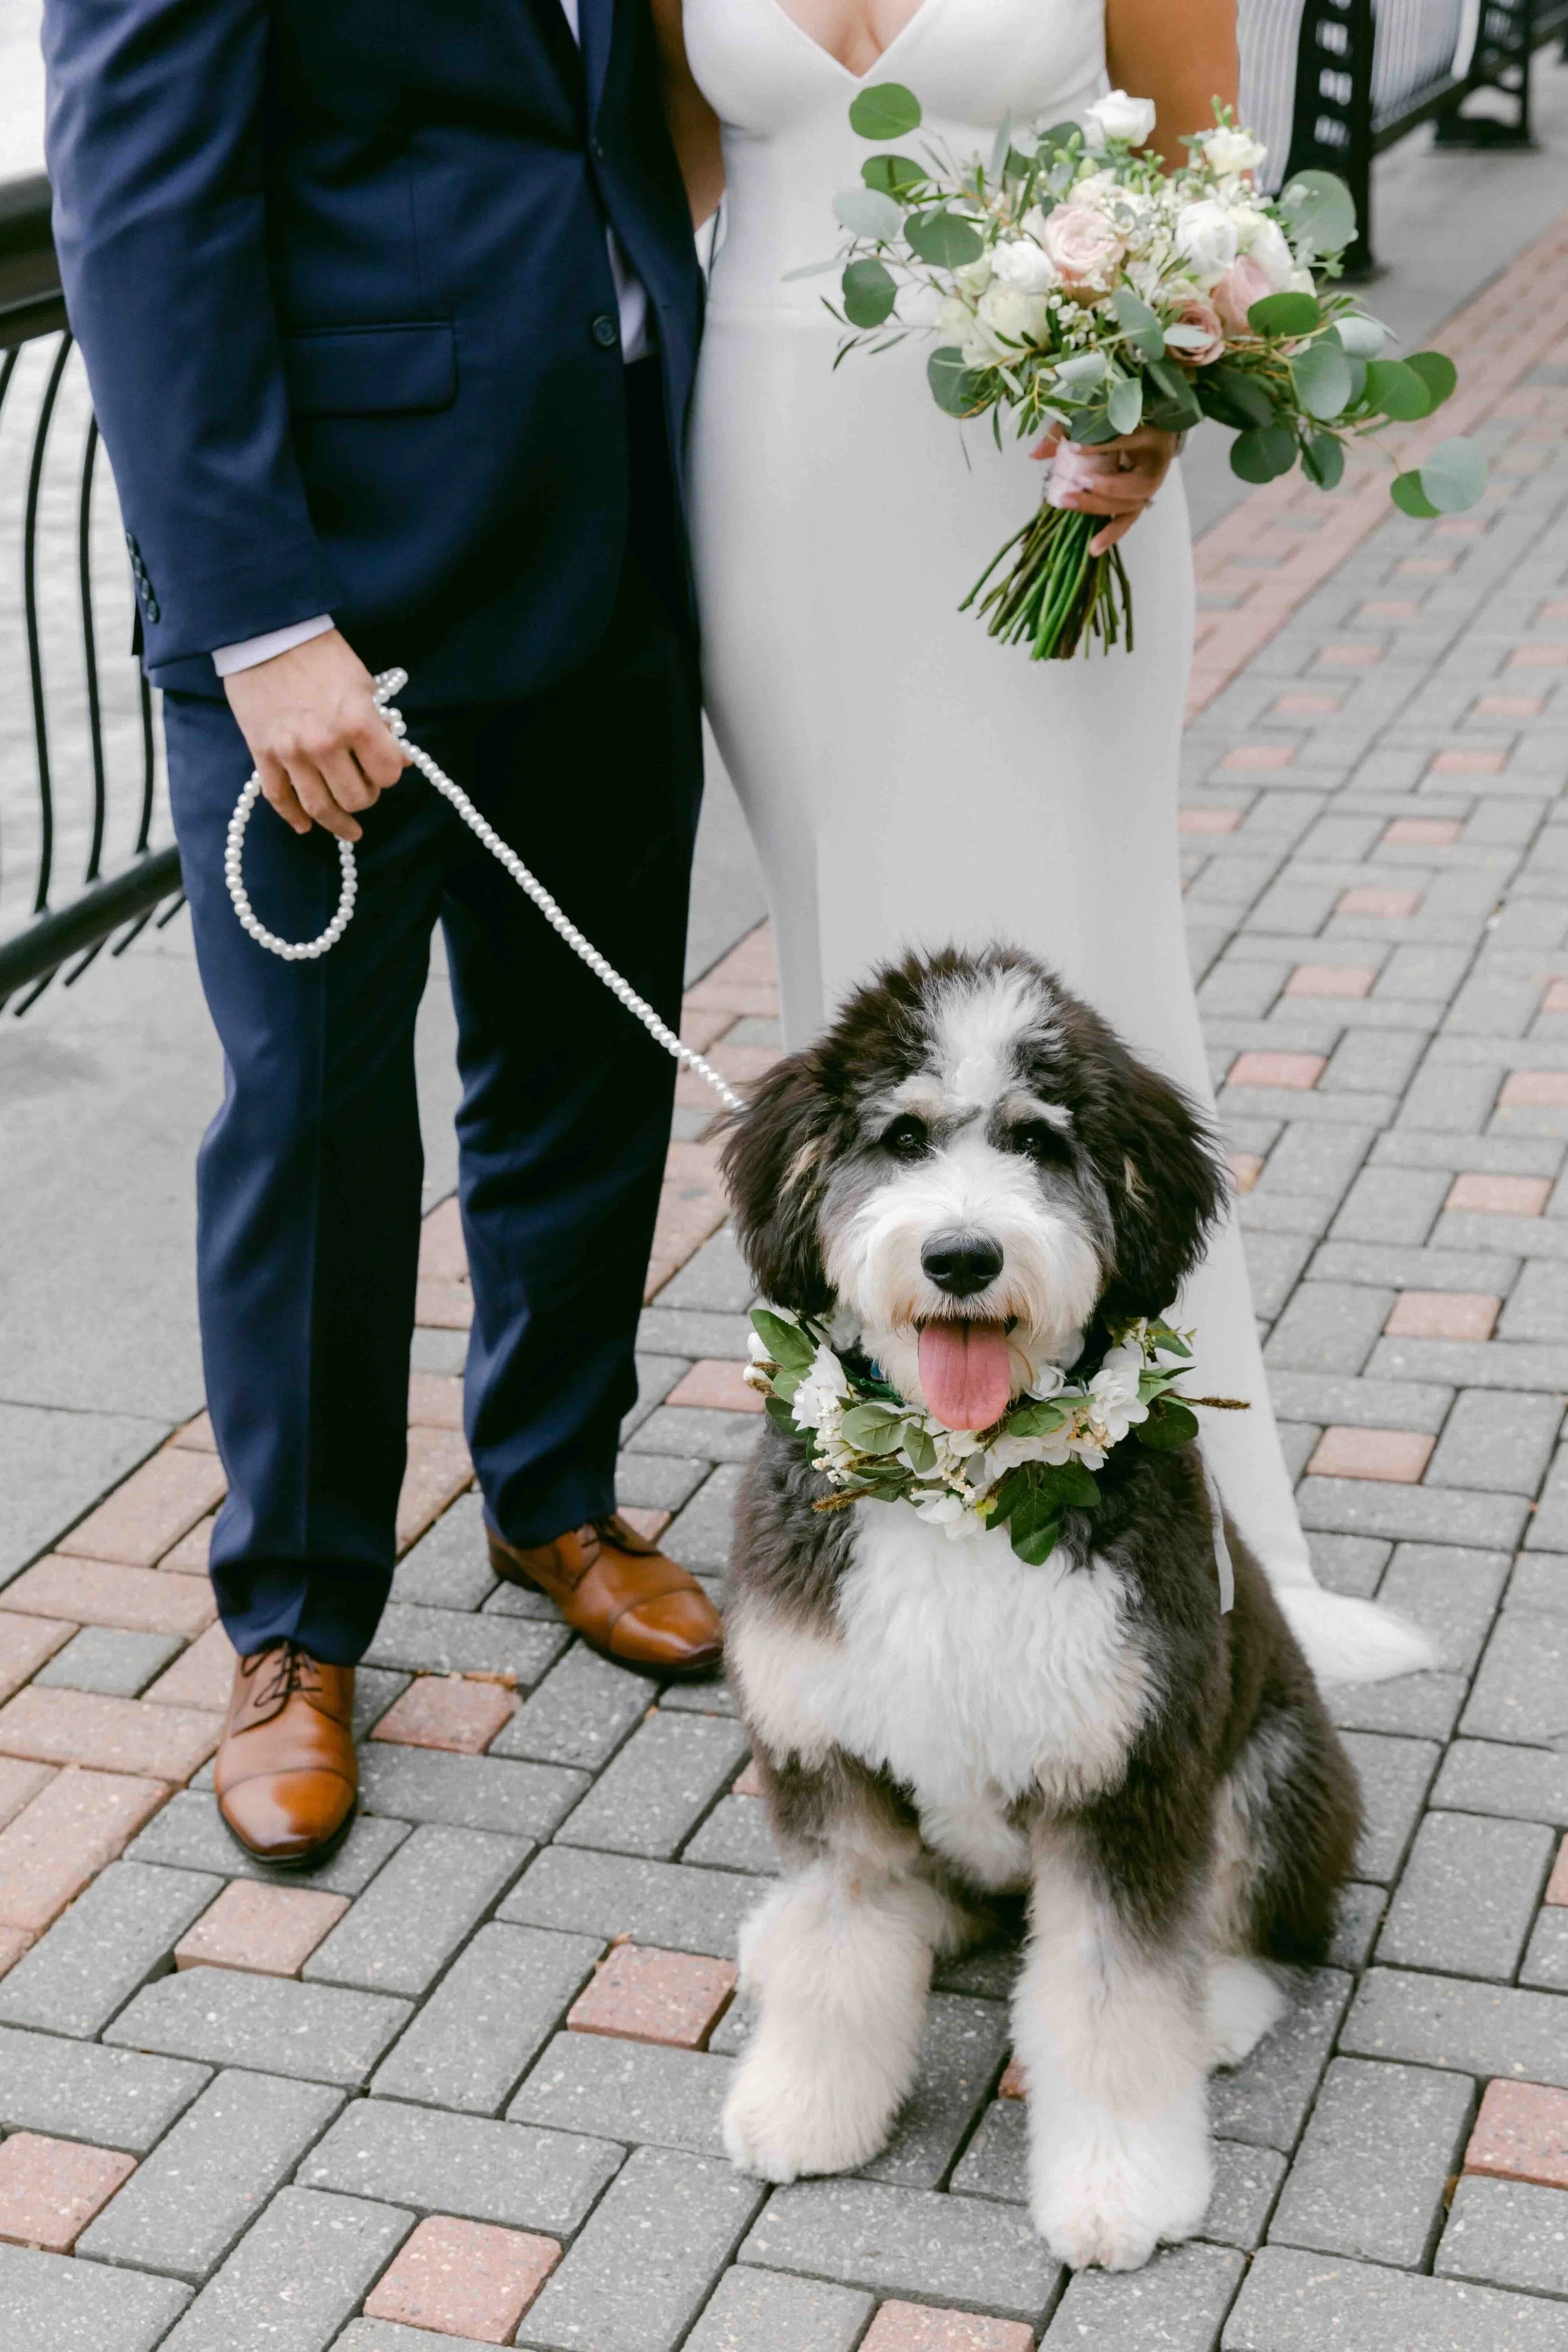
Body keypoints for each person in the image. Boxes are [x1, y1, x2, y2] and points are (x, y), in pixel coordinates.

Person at [650, 0, 1428, 1683]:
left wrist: (1166, 374)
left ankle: (1164, 1546)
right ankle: (887, 1532)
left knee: (1089, 978)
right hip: (777, 480)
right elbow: (638, 177)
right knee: (848, 983)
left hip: (1049, 485)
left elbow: (1211, 181)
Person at [41, 0, 724, 1868]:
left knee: (588, 1061)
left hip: (607, 536)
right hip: (330, 611)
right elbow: (137, 216)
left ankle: (554, 1490)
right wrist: (259, 623)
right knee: (318, 1121)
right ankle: (295, 1623)